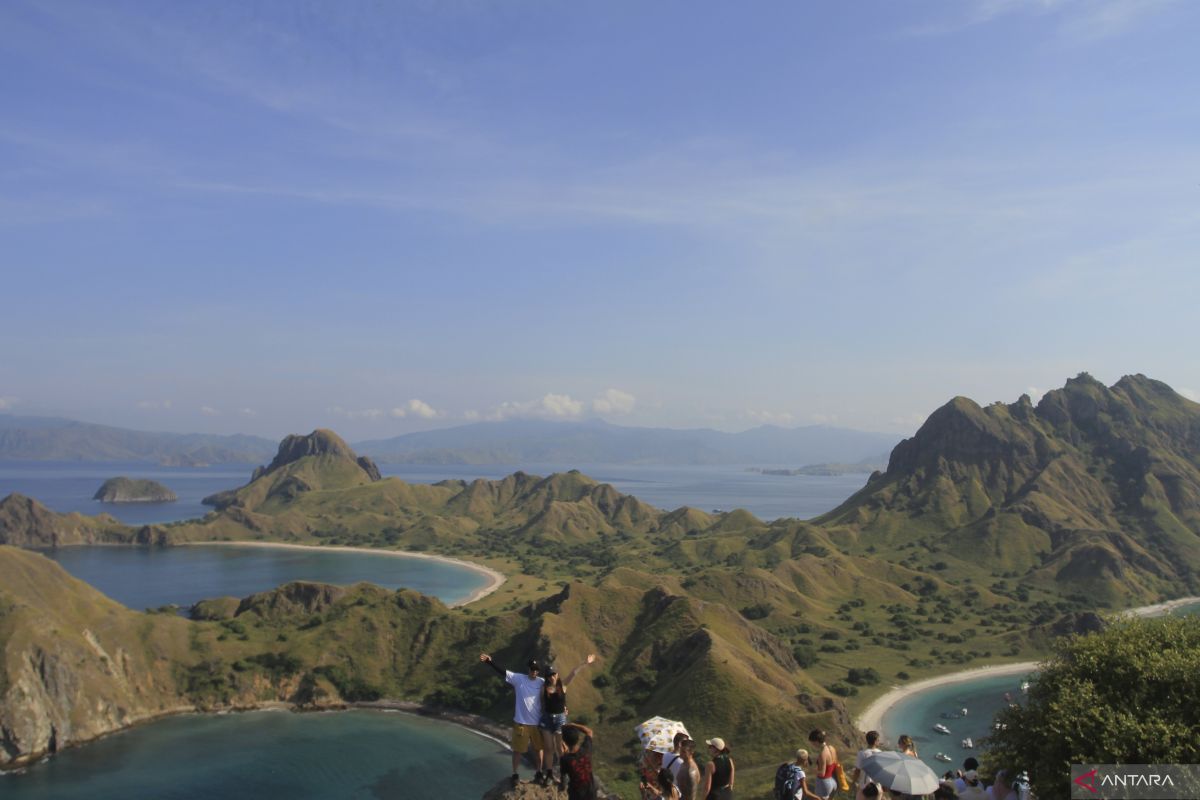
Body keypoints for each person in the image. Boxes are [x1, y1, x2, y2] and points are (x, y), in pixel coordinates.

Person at [479, 652, 547, 788]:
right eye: (532, 669)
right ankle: (515, 774)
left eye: (536, 670)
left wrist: (562, 707)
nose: (534, 671)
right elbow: (503, 672)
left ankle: (539, 773)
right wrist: (490, 662)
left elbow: (556, 691)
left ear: (538, 671)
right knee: (517, 750)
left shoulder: (542, 682)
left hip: (537, 723)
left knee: (539, 749)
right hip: (521, 722)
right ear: (528, 669)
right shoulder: (519, 678)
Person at [540, 654, 598, 776]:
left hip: (560, 719)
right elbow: (541, 703)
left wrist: (585, 662)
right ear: (546, 677)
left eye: (554, 674)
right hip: (547, 718)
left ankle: (563, 774)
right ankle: (549, 773)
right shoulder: (543, 688)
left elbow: (573, 673)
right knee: (549, 747)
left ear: (557, 674)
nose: (552, 677)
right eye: (549, 675)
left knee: (560, 748)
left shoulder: (563, 685)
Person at [559, 724, 597, 800]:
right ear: (578, 738)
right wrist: (573, 725)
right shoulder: (586, 749)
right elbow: (589, 731)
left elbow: (563, 781)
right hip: (591, 792)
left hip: (576, 795)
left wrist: (564, 754)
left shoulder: (565, 759)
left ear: (565, 742)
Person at [808, 729, 838, 800]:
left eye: (812, 743)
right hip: (832, 780)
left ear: (816, 742)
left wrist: (810, 769)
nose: (813, 745)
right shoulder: (831, 748)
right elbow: (834, 763)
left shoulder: (822, 754)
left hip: (823, 783)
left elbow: (822, 773)